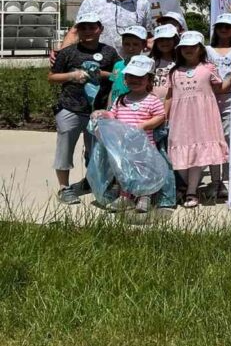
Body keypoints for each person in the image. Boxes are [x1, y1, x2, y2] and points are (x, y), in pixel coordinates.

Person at [48, 12, 119, 204]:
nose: (87, 31)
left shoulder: (109, 52)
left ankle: (93, 181)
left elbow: (117, 75)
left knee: (96, 150)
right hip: (70, 108)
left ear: (100, 29)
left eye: (92, 27)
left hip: (97, 111)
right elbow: (52, 77)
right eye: (83, 27)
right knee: (65, 148)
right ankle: (64, 187)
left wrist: (100, 74)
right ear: (77, 29)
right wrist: (73, 76)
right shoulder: (68, 52)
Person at [165, 31, 231, 208]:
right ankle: (185, 185)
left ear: (200, 49)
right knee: (179, 154)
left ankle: (192, 191)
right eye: (184, 47)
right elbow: (170, 95)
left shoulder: (209, 67)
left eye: (192, 46)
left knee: (198, 154)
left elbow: (220, 88)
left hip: (203, 116)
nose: (188, 50)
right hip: (180, 118)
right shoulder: (174, 71)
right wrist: (165, 116)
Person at [94, 55, 166, 213]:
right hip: (124, 145)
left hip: (144, 146)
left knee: (144, 171)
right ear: (125, 79)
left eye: (140, 77)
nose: (134, 80)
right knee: (124, 171)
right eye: (130, 76)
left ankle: (144, 196)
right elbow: (112, 115)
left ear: (149, 79)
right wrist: (103, 115)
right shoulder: (121, 99)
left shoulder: (152, 100)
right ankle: (125, 196)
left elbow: (160, 116)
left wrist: (143, 126)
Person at [206, 13, 231, 201]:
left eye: (228, 27)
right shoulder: (206, 50)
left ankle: (227, 180)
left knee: (228, 139)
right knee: (212, 140)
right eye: (221, 26)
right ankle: (214, 180)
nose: (224, 30)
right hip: (209, 100)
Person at [108, 25, 148, 104]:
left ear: (143, 45)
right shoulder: (118, 65)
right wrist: (109, 107)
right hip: (114, 108)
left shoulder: (146, 66)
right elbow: (113, 88)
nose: (131, 48)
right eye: (127, 44)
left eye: (135, 44)